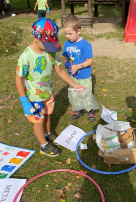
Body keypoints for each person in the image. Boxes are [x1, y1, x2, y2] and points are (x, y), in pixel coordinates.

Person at [15, 17, 85, 157]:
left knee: (47, 115)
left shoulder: (51, 52)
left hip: (48, 93)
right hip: (34, 98)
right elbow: (18, 78)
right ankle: (44, 145)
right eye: (48, 43)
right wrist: (24, 100)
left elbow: (59, 70)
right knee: (38, 120)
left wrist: (75, 85)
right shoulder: (26, 57)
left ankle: (48, 134)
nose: (50, 47)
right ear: (35, 38)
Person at [62, 15, 98, 122]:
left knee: (85, 93)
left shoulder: (85, 44)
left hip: (84, 75)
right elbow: (64, 57)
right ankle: (78, 109)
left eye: (70, 34)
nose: (67, 36)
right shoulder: (66, 43)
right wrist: (66, 64)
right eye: (65, 34)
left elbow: (89, 61)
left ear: (78, 31)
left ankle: (90, 110)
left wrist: (78, 66)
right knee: (74, 92)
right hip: (73, 75)